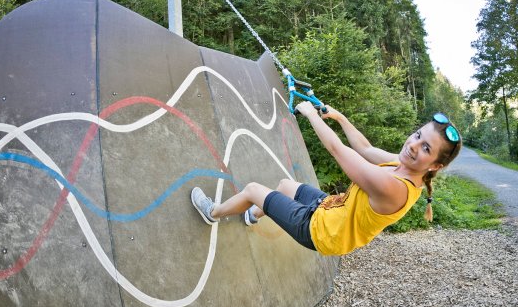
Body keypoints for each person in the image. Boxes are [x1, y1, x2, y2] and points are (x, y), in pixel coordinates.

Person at [191, 101, 462, 255]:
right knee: (285, 186)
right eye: (418, 135)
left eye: (426, 148)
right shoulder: (401, 164)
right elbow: (365, 149)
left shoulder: (395, 189)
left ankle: (213, 212)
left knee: (252, 189)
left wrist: (310, 114)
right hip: (332, 208)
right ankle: (252, 216)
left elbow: (338, 150)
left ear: (435, 165)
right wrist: (339, 117)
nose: (414, 145)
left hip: (322, 233)